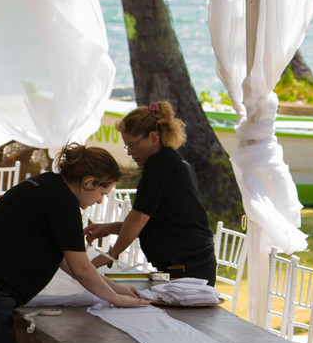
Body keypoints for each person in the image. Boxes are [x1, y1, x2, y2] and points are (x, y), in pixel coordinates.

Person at [0, 144, 148, 343]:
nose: (100, 201)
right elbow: (81, 269)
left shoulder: (47, 185)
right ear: (88, 182)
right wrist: (115, 298)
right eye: (102, 193)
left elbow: (67, 261)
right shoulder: (63, 202)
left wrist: (116, 289)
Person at [85, 101, 217, 283]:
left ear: (154, 138)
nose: (129, 152)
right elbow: (155, 222)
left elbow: (138, 218)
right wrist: (109, 228)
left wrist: (112, 254)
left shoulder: (160, 164)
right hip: (192, 265)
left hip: (187, 267)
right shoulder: (172, 161)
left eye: (132, 145)